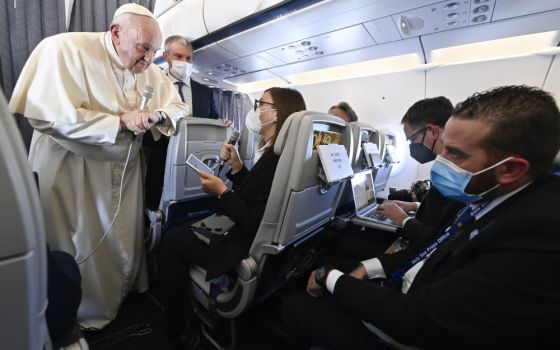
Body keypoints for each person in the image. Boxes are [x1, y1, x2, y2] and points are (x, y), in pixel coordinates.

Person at [283, 85, 560, 350]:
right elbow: (432, 247)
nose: (442, 159)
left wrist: (329, 277)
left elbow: (414, 320)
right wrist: (367, 269)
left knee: (295, 306)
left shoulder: (536, 233)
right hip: (412, 290)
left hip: (411, 330)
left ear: (510, 168)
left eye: (454, 154)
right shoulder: (490, 197)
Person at [9, 3, 189, 329]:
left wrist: (158, 115)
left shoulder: (149, 70)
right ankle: (69, 315)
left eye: (155, 51)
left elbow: (178, 106)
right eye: (143, 48)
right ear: (116, 33)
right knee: (73, 246)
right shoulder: (65, 49)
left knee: (120, 243)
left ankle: (118, 298)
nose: (149, 59)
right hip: (72, 169)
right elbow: (46, 115)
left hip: (125, 172)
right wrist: (119, 122)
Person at [158, 87, 306, 349]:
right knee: (182, 232)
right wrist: (238, 167)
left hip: (242, 248)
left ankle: (177, 329)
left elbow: (253, 223)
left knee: (171, 240)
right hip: (251, 239)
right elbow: (258, 196)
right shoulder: (277, 155)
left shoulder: (275, 160)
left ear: (277, 113)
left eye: (262, 103)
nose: (257, 108)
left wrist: (222, 192)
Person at [377, 96, 463, 242]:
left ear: (433, 132)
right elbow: (440, 212)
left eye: (412, 139)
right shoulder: (445, 166)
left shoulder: (453, 172)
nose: (412, 146)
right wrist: (414, 206)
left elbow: (436, 236)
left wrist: (403, 220)